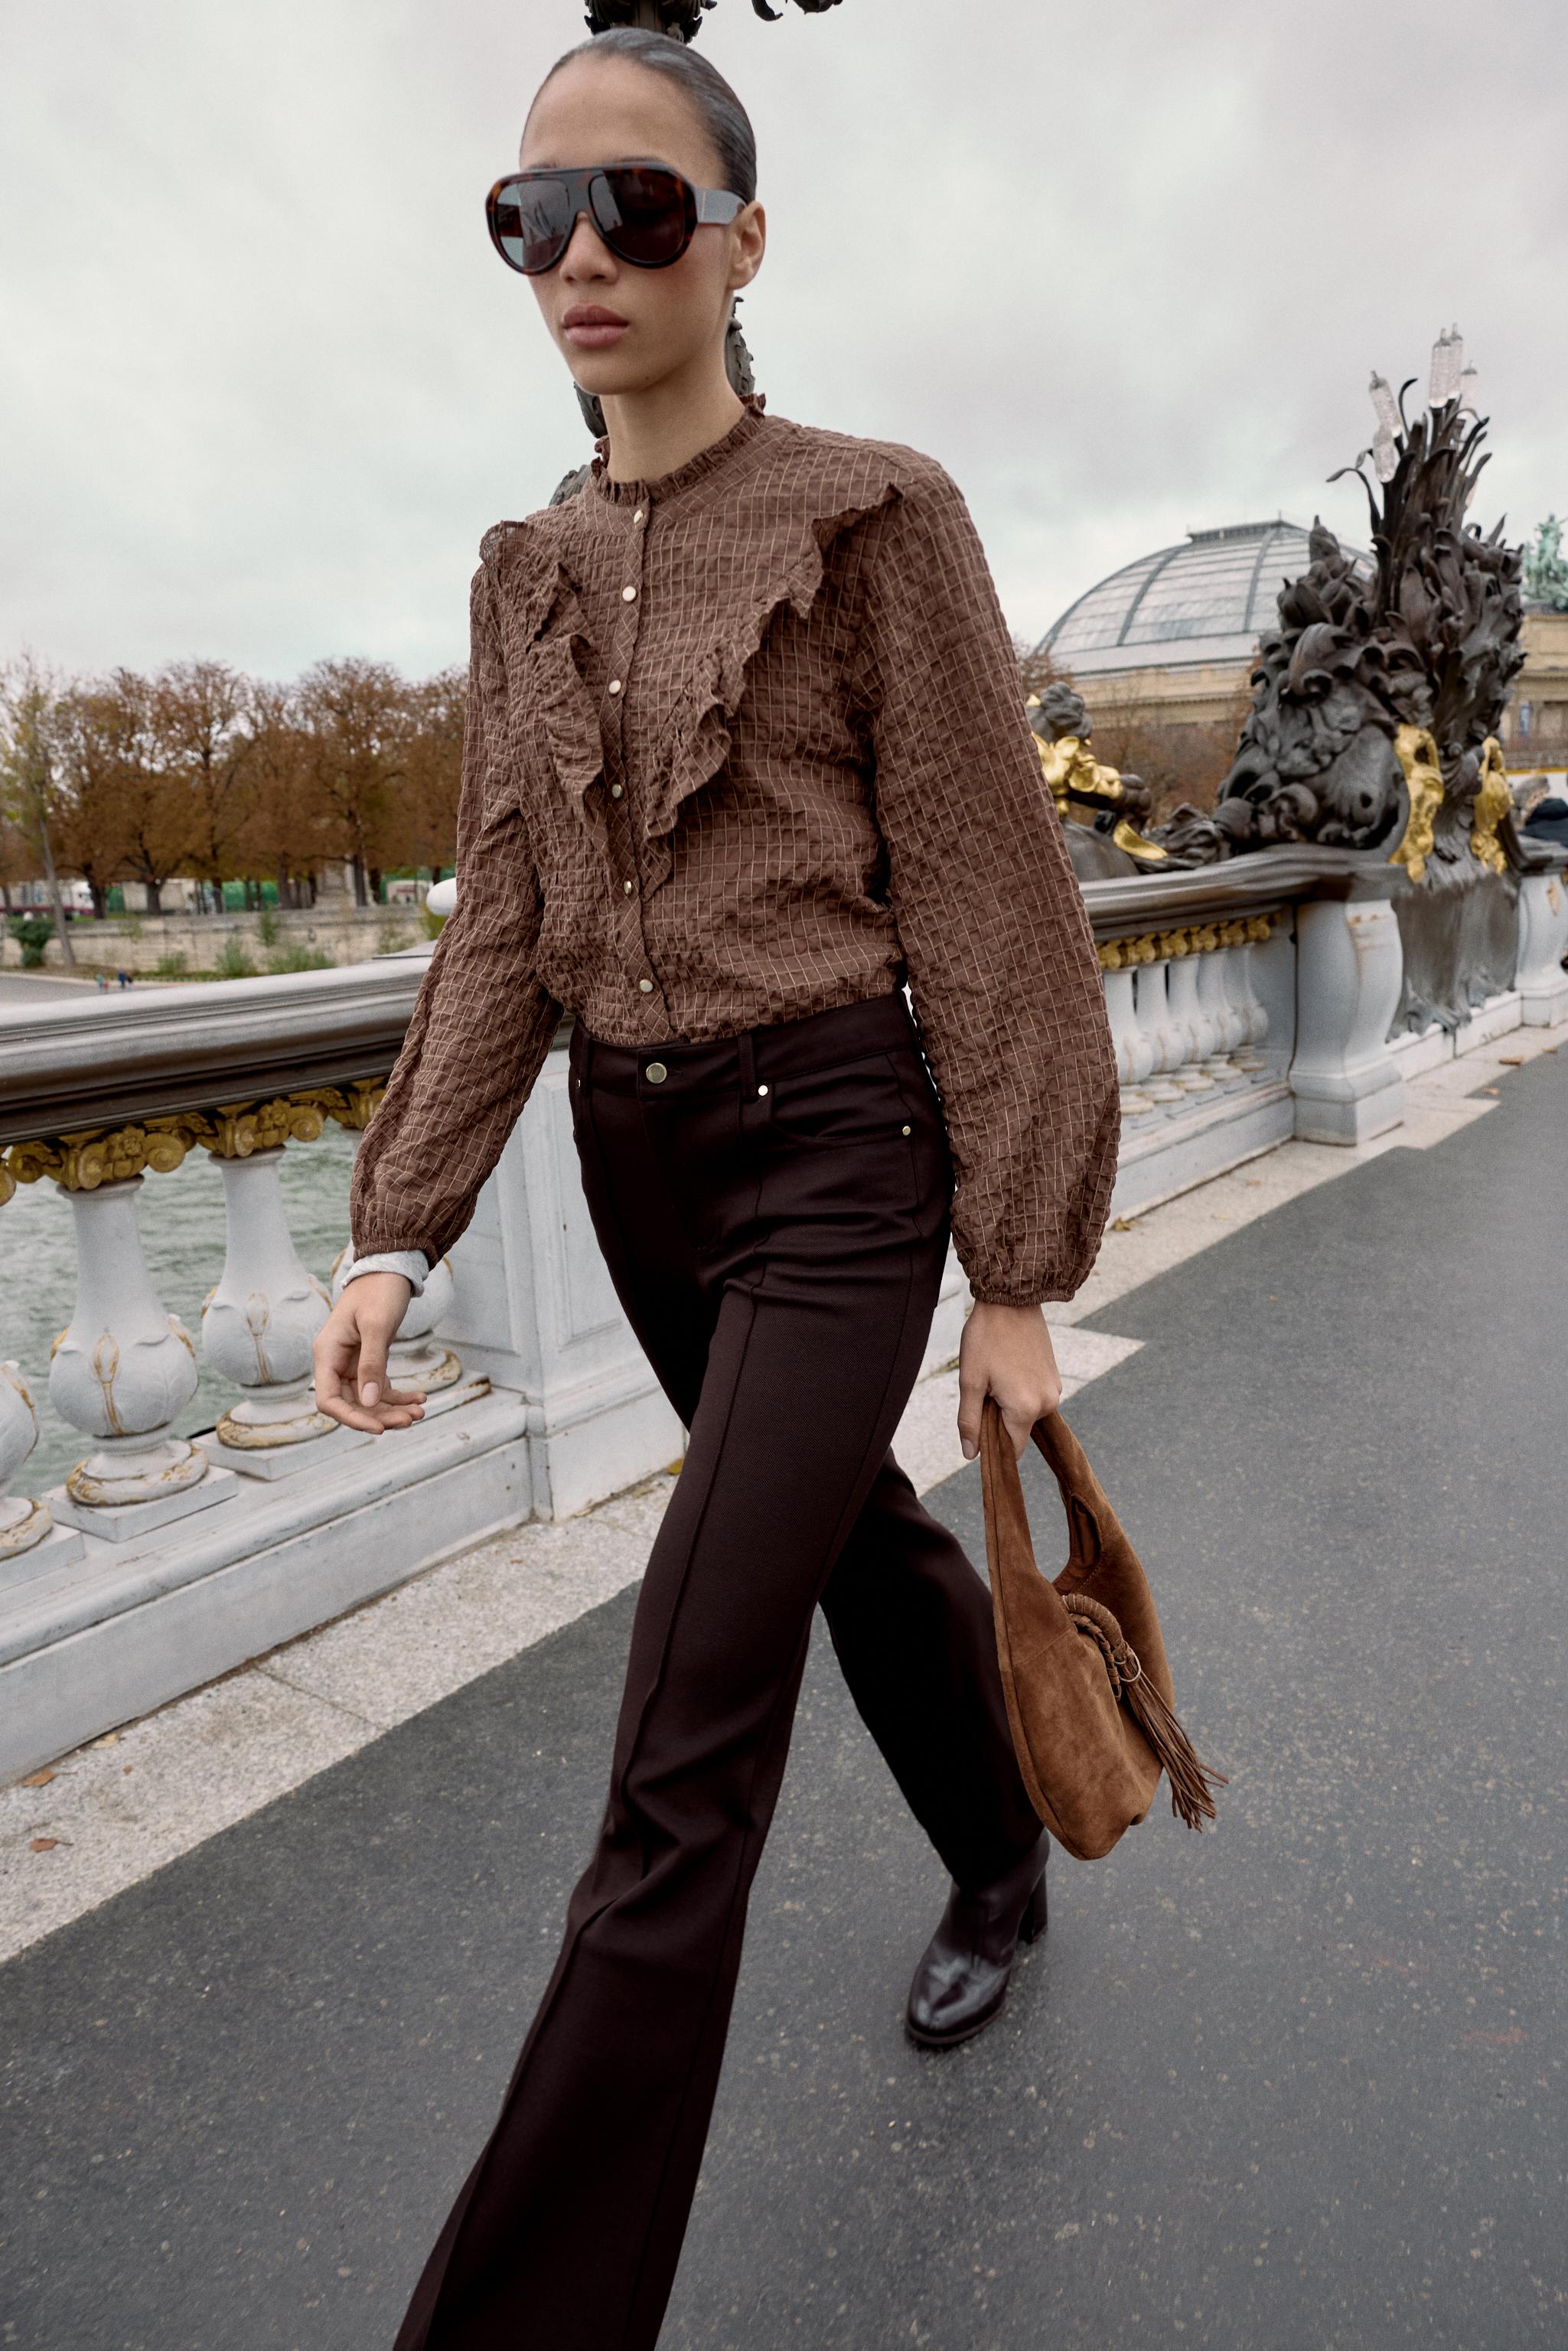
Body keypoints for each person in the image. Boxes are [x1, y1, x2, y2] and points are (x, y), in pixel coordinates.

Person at [311, 28, 1118, 2349]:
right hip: (635, 1161)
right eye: (530, 214)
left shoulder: (877, 513)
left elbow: (987, 892)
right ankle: (995, 1852)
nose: (578, 253)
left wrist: (1017, 1271)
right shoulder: (520, 575)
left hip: (842, 1152)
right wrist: (399, 1219)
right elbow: (504, 915)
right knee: (842, 1542)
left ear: (741, 242)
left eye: (637, 207)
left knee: (682, 1735)